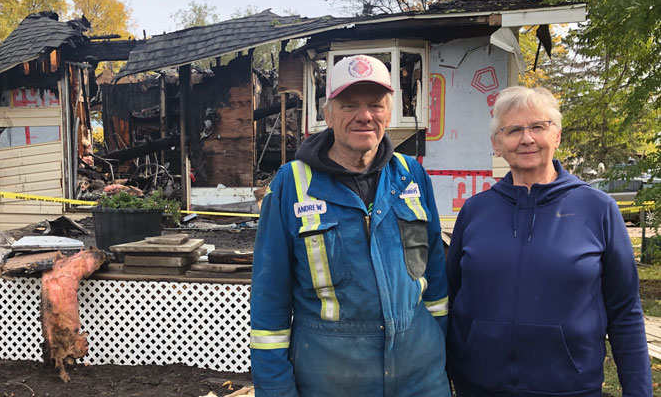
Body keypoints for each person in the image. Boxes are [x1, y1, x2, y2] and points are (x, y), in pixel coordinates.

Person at [249, 54, 450, 397]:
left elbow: (436, 279)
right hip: (331, 379)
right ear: (327, 113)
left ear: (390, 112)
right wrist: (275, 389)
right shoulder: (291, 186)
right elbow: (269, 301)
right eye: (349, 105)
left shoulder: (410, 175)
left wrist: (438, 350)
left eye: (376, 104)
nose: (364, 116)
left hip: (420, 376)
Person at [446, 86, 652, 396]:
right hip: (478, 387)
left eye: (537, 127)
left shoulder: (597, 209)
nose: (526, 138)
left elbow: (625, 312)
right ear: (497, 143)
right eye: (513, 129)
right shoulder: (475, 210)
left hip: (570, 388)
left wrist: (639, 391)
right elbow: (450, 294)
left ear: (556, 136)